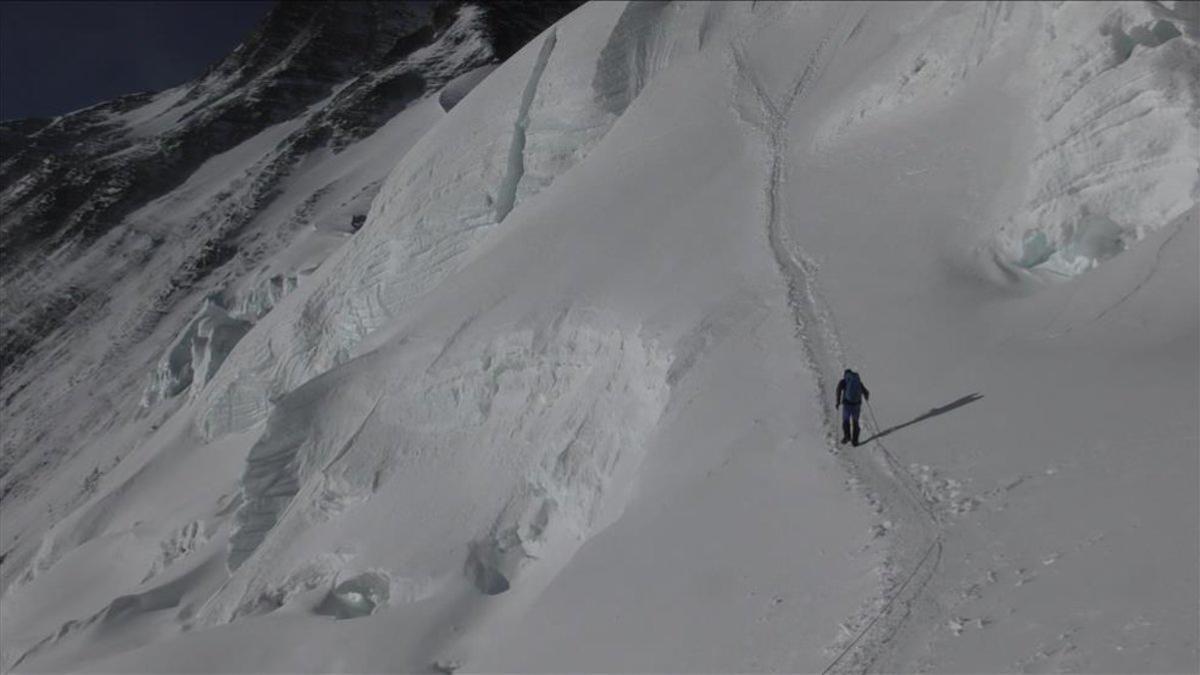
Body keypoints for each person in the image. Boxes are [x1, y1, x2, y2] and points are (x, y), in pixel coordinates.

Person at [835, 368, 870, 446]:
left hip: (847, 404)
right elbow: (866, 392)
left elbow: (838, 390)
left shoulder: (843, 381)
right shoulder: (858, 381)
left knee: (846, 420)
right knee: (855, 422)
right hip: (857, 405)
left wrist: (837, 402)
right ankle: (855, 441)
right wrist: (866, 397)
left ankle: (847, 436)